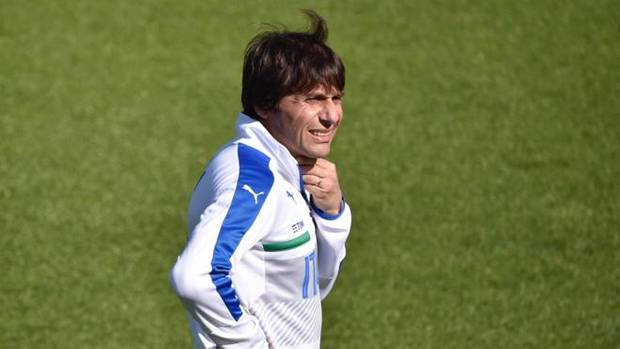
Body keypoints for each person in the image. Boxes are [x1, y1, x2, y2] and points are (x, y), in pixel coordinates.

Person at [170, 10, 351, 349]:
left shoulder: (290, 169)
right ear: (265, 105)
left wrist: (332, 216)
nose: (331, 116)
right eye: (314, 99)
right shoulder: (255, 180)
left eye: (335, 98)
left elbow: (310, 290)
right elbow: (195, 277)